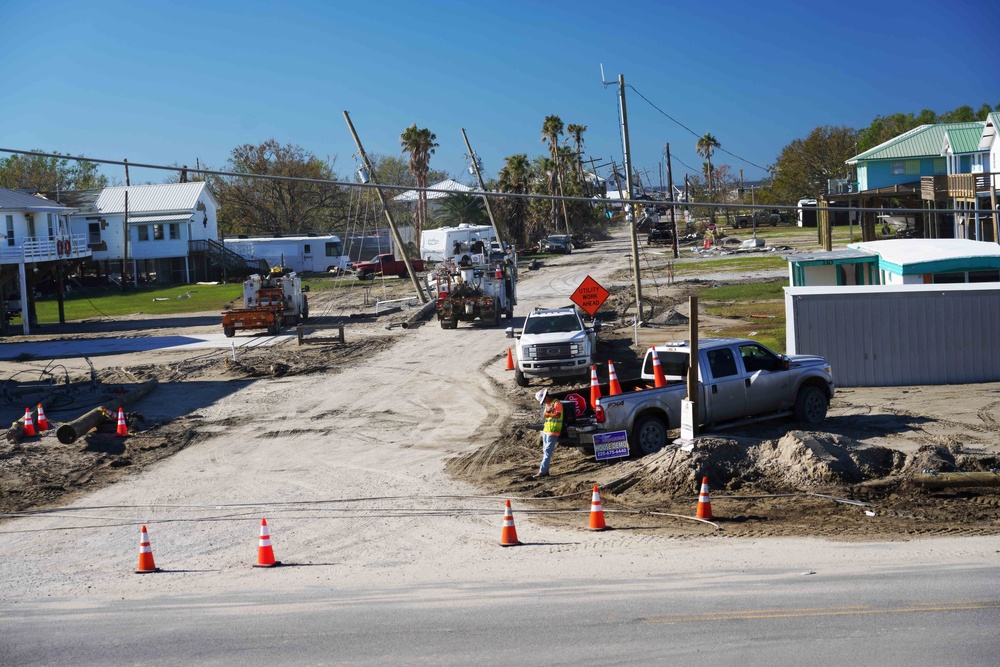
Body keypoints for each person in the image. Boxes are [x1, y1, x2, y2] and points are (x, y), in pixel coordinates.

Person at [535, 388, 563, 478]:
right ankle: (545, 471)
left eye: (544, 400)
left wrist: (549, 414)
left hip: (553, 430)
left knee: (547, 452)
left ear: (547, 396)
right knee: (545, 451)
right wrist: (549, 413)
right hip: (547, 430)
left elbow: (557, 415)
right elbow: (544, 414)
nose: (544, 402)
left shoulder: (557, 403)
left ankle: (542, 471)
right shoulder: (548, 405)